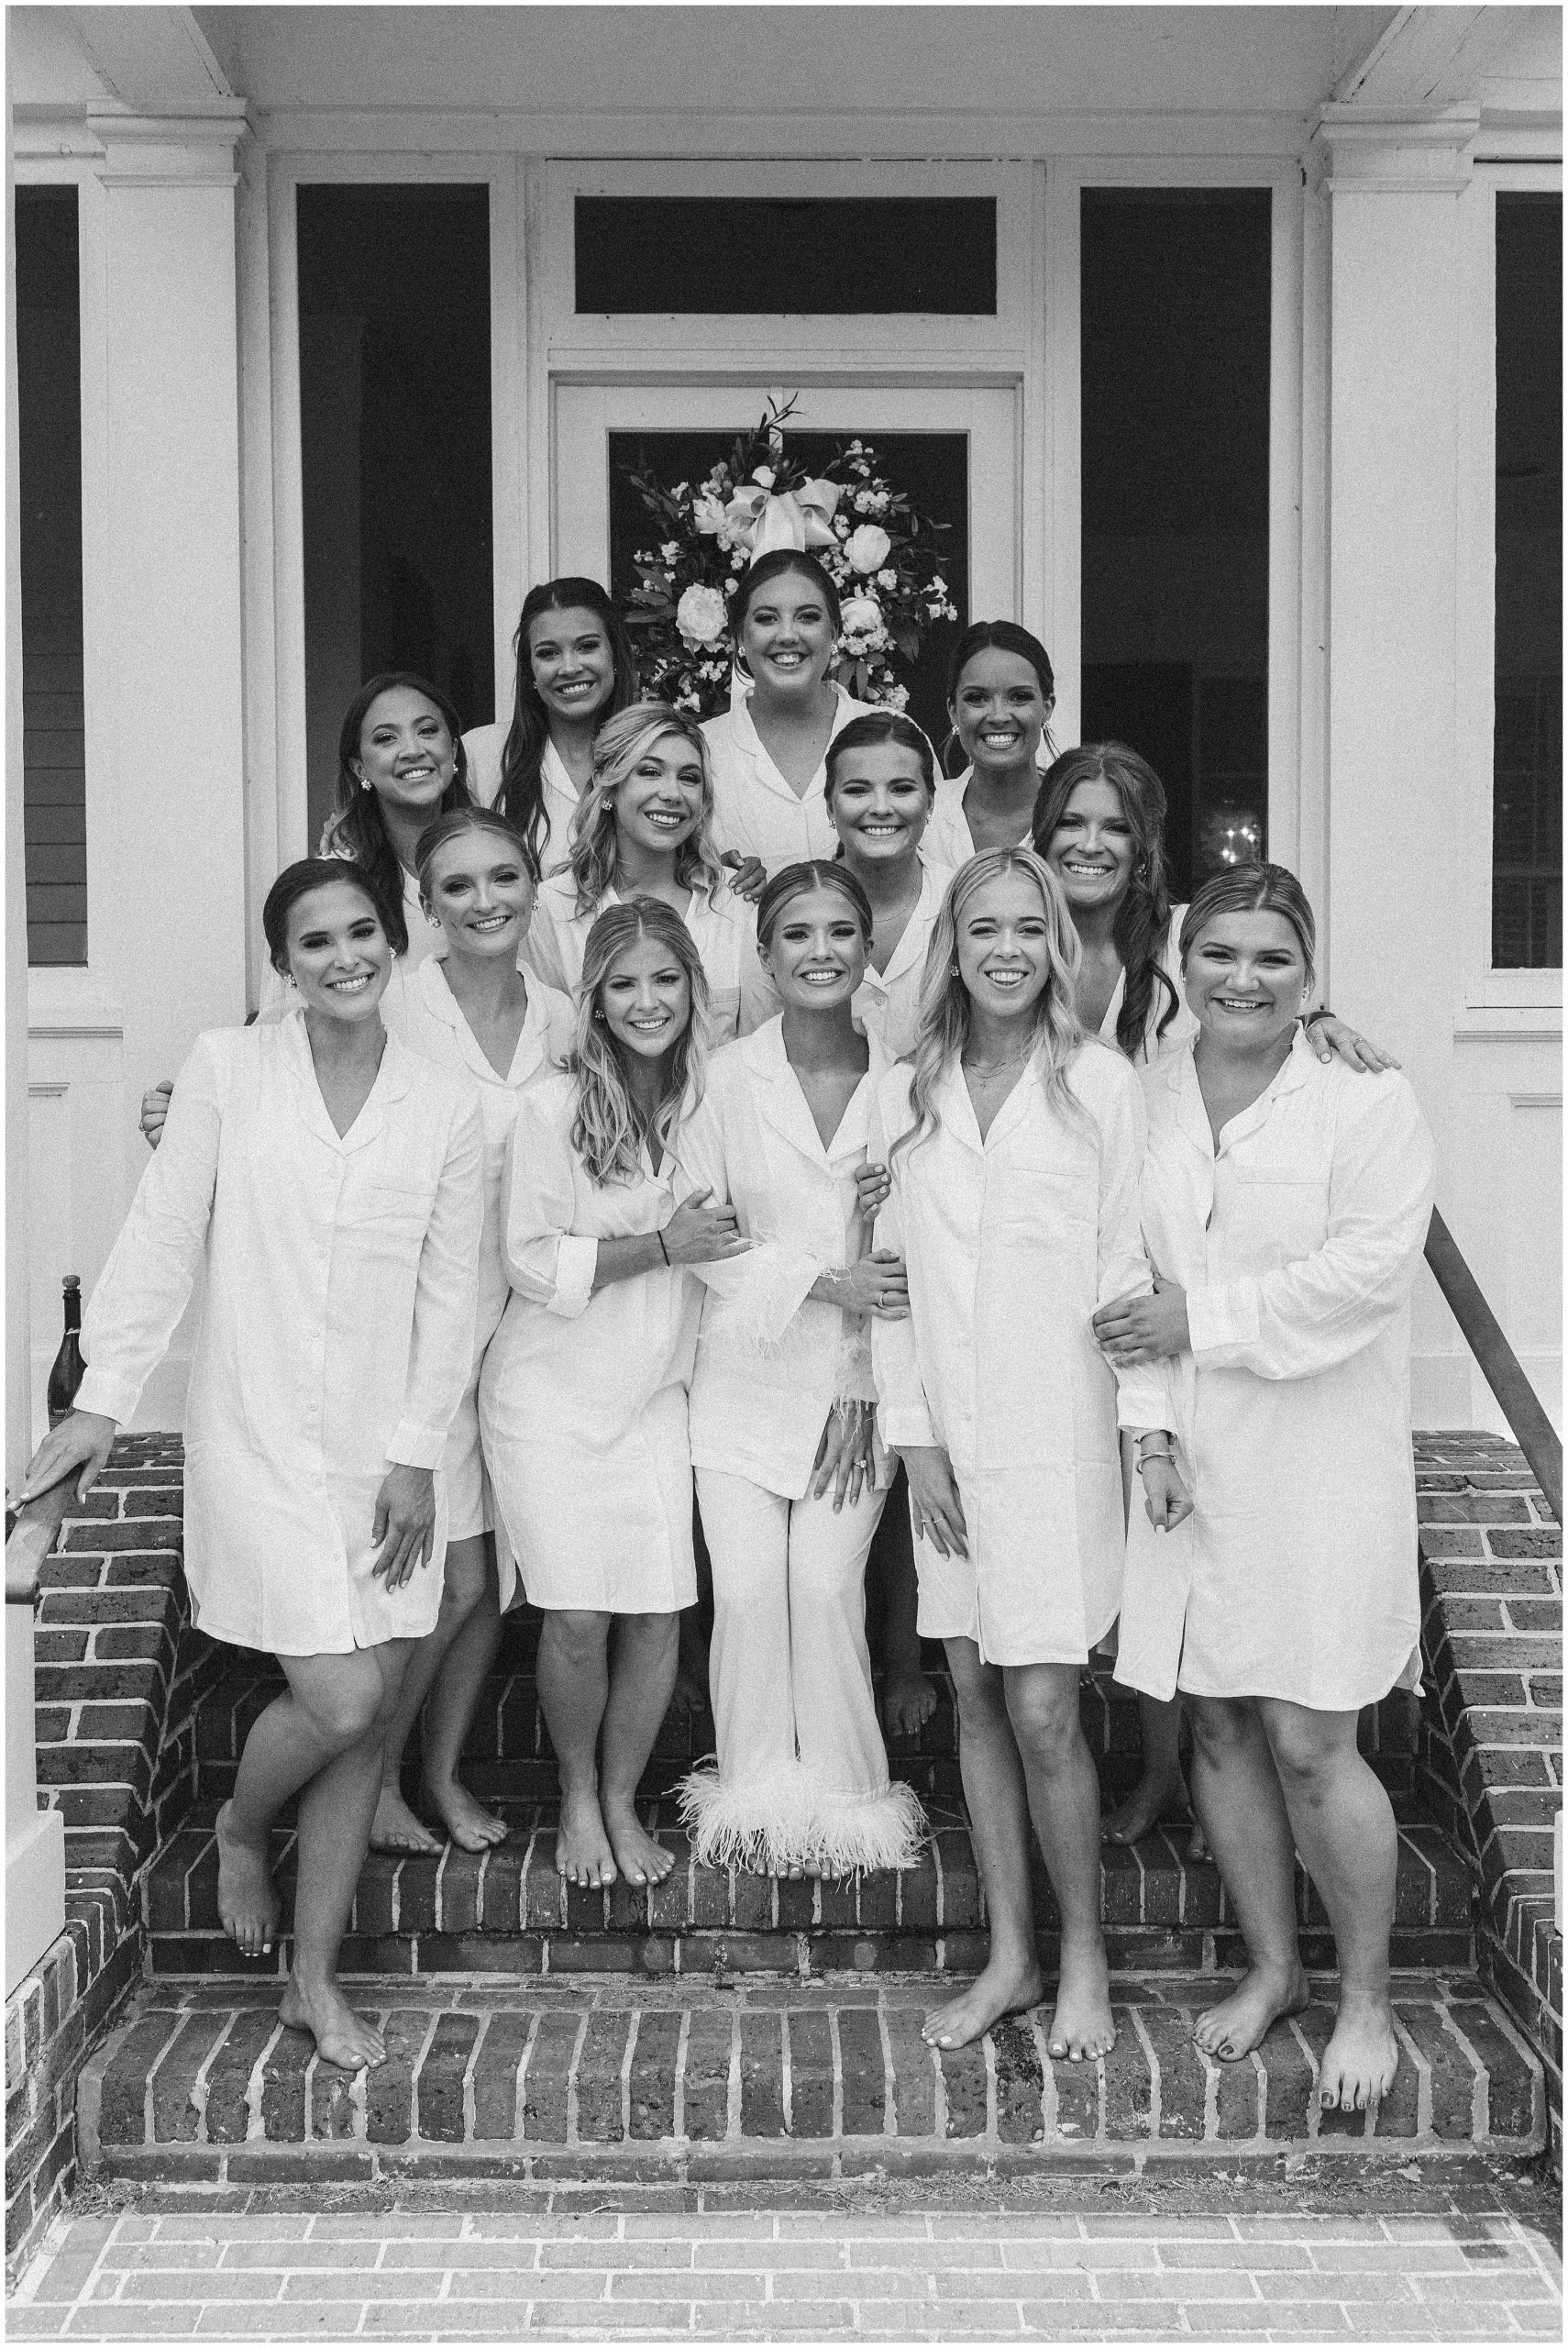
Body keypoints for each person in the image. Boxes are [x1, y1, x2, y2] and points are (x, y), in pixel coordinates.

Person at [21, 862, 483, 2072]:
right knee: (343, 1699)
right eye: (315, 942)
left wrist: (415, 1457)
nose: (345, 956)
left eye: (363, 932)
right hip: (258, 1434)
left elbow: (453, 1297)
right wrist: (103, 1401)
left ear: (395, 941)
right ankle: (239, 1821)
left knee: (366, 1729)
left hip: (388, 1455)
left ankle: (312, 1980)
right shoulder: (228, 1071)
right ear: (284, 964)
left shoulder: (445, 1104)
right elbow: (164, 1234)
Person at [1094, 863, 1434, 2114]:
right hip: (1190, 1455)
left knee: (1308, 1737)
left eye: (1273, 957)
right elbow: (1121, 1276)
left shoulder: (1364, 1095)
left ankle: (1365, 1998)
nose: (1243, 978)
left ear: (1310, 975)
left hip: (1319, 1455)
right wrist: (1146, 1434)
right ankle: (1275, 1966)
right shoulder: (1142, 1093)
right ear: (1180, 964)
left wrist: (1205, 1318)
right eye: (1219, 953)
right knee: (1219, 1722)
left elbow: (1368, 1273)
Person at [1030, 743, 1399, 1851]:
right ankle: (1170, 1778)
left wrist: (1312, 1023)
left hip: (1269, 1401)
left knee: (1291, 1718)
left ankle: (1179, 1785)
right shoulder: (1019, 944)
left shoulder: (1195, 988)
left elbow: (1364, 1262)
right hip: (1106, 1327)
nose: (1092, 844)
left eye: (1116, 826)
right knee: (1188, 1655)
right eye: (1071, 823)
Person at [870, 847, 1185, 2059]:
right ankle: (1010, 1957)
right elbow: (892, 1290)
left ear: (1056, 943)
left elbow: (1124, 1270)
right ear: (950, 949)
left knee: (1045, 1705)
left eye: (1026, 928)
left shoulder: (1101, 1084)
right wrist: (915, 1447)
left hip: (1059, 1439)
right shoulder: (910, 1090)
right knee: (974, 1696)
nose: (1005, 949)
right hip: (950, 1444)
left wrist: (1147, 1431)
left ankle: (1083, 1958)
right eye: (982, 929)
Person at [479, 901, 747, 1888]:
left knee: (660, 1611)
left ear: (693, 989)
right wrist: (660, 1246)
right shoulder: (551, 1110)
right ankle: (577, 1794)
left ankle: (624, 1797)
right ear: (593, 998)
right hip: (550, 1395)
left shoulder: (714, 1102)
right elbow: (529, 1260)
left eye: (665, 980)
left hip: (656, 1395)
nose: (646, 1002)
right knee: (580, 1616)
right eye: (624, 984)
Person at [676, 862, 925, 1878]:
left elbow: (920, 1251)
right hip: (741, 1380)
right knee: (743, 1592)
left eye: (839, 932)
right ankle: (754, 1806)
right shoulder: (723, 1079)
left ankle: (850, 1805)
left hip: (857, 1389)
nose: (820, 952)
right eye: (796, 935)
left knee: (823, 1587)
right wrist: (829, 1281)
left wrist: (865, 1356)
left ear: (867, 949)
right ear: (767, 957)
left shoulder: (907, 1084)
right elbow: (703, 1237)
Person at [369, 806, 575, 1856]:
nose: (485, 900)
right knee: (444, 1582)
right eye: (458, 884)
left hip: (531, 1329)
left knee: (489, 1582)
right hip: (422, 1326)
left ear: (534, 885)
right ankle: (371, 1784)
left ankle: (440, 1775)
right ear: (427, 902)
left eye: (503, 877)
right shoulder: (395, 1006)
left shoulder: (563, 1016)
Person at [138, 673, 473, 1141]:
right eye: (386, 738)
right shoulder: (331, 890)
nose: (412, 749)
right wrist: (200, 1118)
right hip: (366, 1127)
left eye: (427, 730)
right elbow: (280, 1029)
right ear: (359, 767)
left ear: (453, 750)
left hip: (474, 1115)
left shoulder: (495, 878)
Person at [822, 709, 951, 1740]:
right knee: (828, 1429)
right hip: (829, 1180)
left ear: (931, 798)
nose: (880, 806)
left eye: (901, 787)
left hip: (937, 1176)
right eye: (857, 789)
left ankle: (905, 1653)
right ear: (828, 803)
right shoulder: (806, 907)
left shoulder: (960, 901)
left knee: (917, 1416)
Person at [526, 702, 777, 1044]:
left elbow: (762, 1047)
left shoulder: (735, 902)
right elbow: (548, 1044)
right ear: (608, 786)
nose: (672, 794)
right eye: (649, 772)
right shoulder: (551, 908)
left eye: (688, 778)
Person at [701, 550, 876, 870]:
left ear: (834, 632)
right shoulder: (700, 750)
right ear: (740, 637)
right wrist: (711, 876)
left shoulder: (891, 734)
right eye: (767, 618)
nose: (787, 635)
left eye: (807, 617)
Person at [459, 578, 639, 872]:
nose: (569, 667)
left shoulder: (658, 751)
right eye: (548, 653)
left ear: (615, 655)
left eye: (587, 646)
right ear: (530, 670)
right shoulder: (482, 753)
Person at [926, 621, 1057, 869]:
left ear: (1047, 707)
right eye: (977, 698)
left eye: (1019, 697)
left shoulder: (1075, 813)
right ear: (953, 711)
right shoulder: (922, 814)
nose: (998, 716)